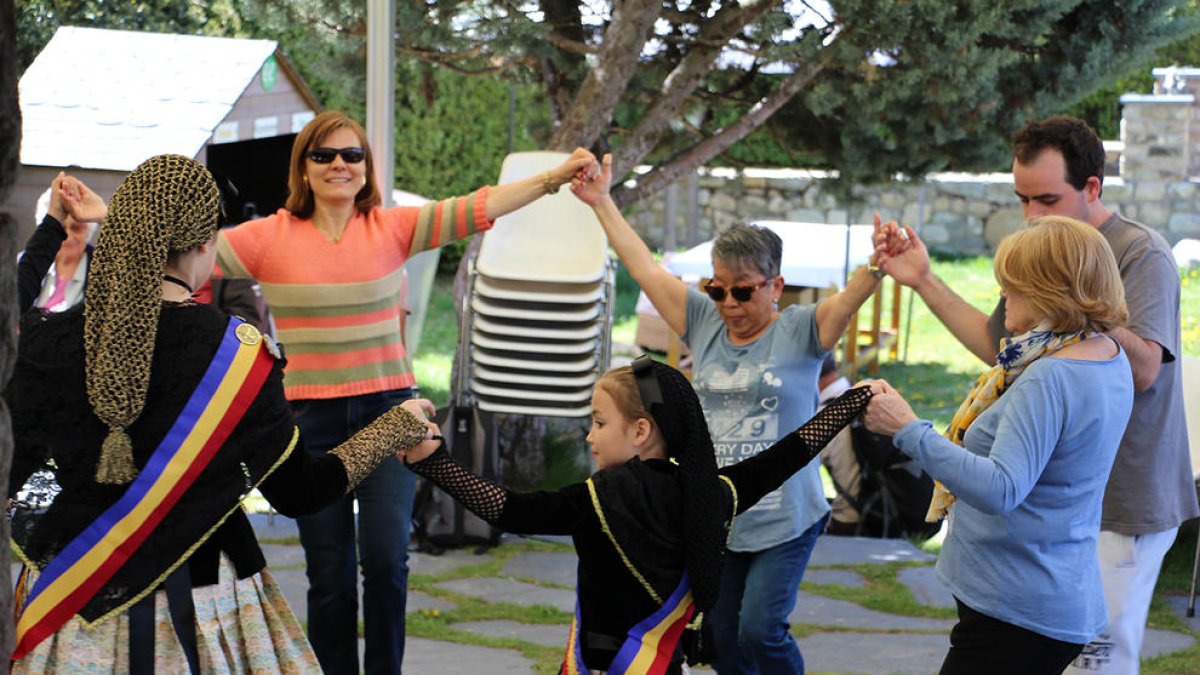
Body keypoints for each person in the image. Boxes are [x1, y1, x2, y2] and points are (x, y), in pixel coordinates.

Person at [4, 154, 434, 672]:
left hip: (65, 606)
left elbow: (10, 315)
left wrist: (52, 229)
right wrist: (396, 425)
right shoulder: (237, 357)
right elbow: (301, 492)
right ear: (207, 243)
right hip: (197, 611)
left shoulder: (43, 343)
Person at [211, 111, 598, 673]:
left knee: (388, 564)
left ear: (367, 167)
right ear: (303, 167)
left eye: (352, 155)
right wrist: (98, 221)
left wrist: (553, 176)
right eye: (323, 155)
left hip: (390, 414)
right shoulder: (267, 238)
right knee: (330, 574)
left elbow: (479, 205)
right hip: (308, 423)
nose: (339, 165)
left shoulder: (392, 228)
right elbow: (186, 250)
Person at [875, 115, 1199, 674]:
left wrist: (1082, 307)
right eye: (1023, 199)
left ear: (1092, 186)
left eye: (1047, 199)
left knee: (1103, 661)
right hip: (1049, 529)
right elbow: (996, 343)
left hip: (1120, 507)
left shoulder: (1135, 255)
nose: (1032, 215)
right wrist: (925, 279)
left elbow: (1144, 366)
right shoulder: (1047, 294)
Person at [572, 154, 885, 673]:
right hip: (720, 513)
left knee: (760, 630)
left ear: (775, 287)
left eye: (743, 290)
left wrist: (877, 264)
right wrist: (602, 201)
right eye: (718, 289)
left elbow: (849, 299)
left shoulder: (802, 330)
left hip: (787, 516)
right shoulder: (703, 321)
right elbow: (645, 267)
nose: (729, 303)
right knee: (720, 637)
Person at [399, 356, 872, 673]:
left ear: (641, 430)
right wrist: (854, 399)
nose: (590, 436)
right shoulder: (712, 493)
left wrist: (432, 462)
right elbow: (788, 454)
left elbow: (509, 510)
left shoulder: (598, 496)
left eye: (600, 423)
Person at [864, 216, 1134, 674]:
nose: (1002, 296)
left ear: (1049, 290)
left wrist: (908, 429)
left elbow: (1001, 489)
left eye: (1012, 285)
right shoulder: (1104, 353)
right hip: (1048, 595)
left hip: (1017, 610)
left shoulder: (1049, 375)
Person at [17, 172, 101, 314]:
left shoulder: (102, 267)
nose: (68, 236)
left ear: (88, 231)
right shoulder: (24, 264)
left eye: (77, 228)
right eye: (60, 229)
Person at [816, 353, 863, 534]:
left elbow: (794, 478)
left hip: (849, 518)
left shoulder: (824, 416)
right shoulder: (856, 394)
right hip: (880, 506)